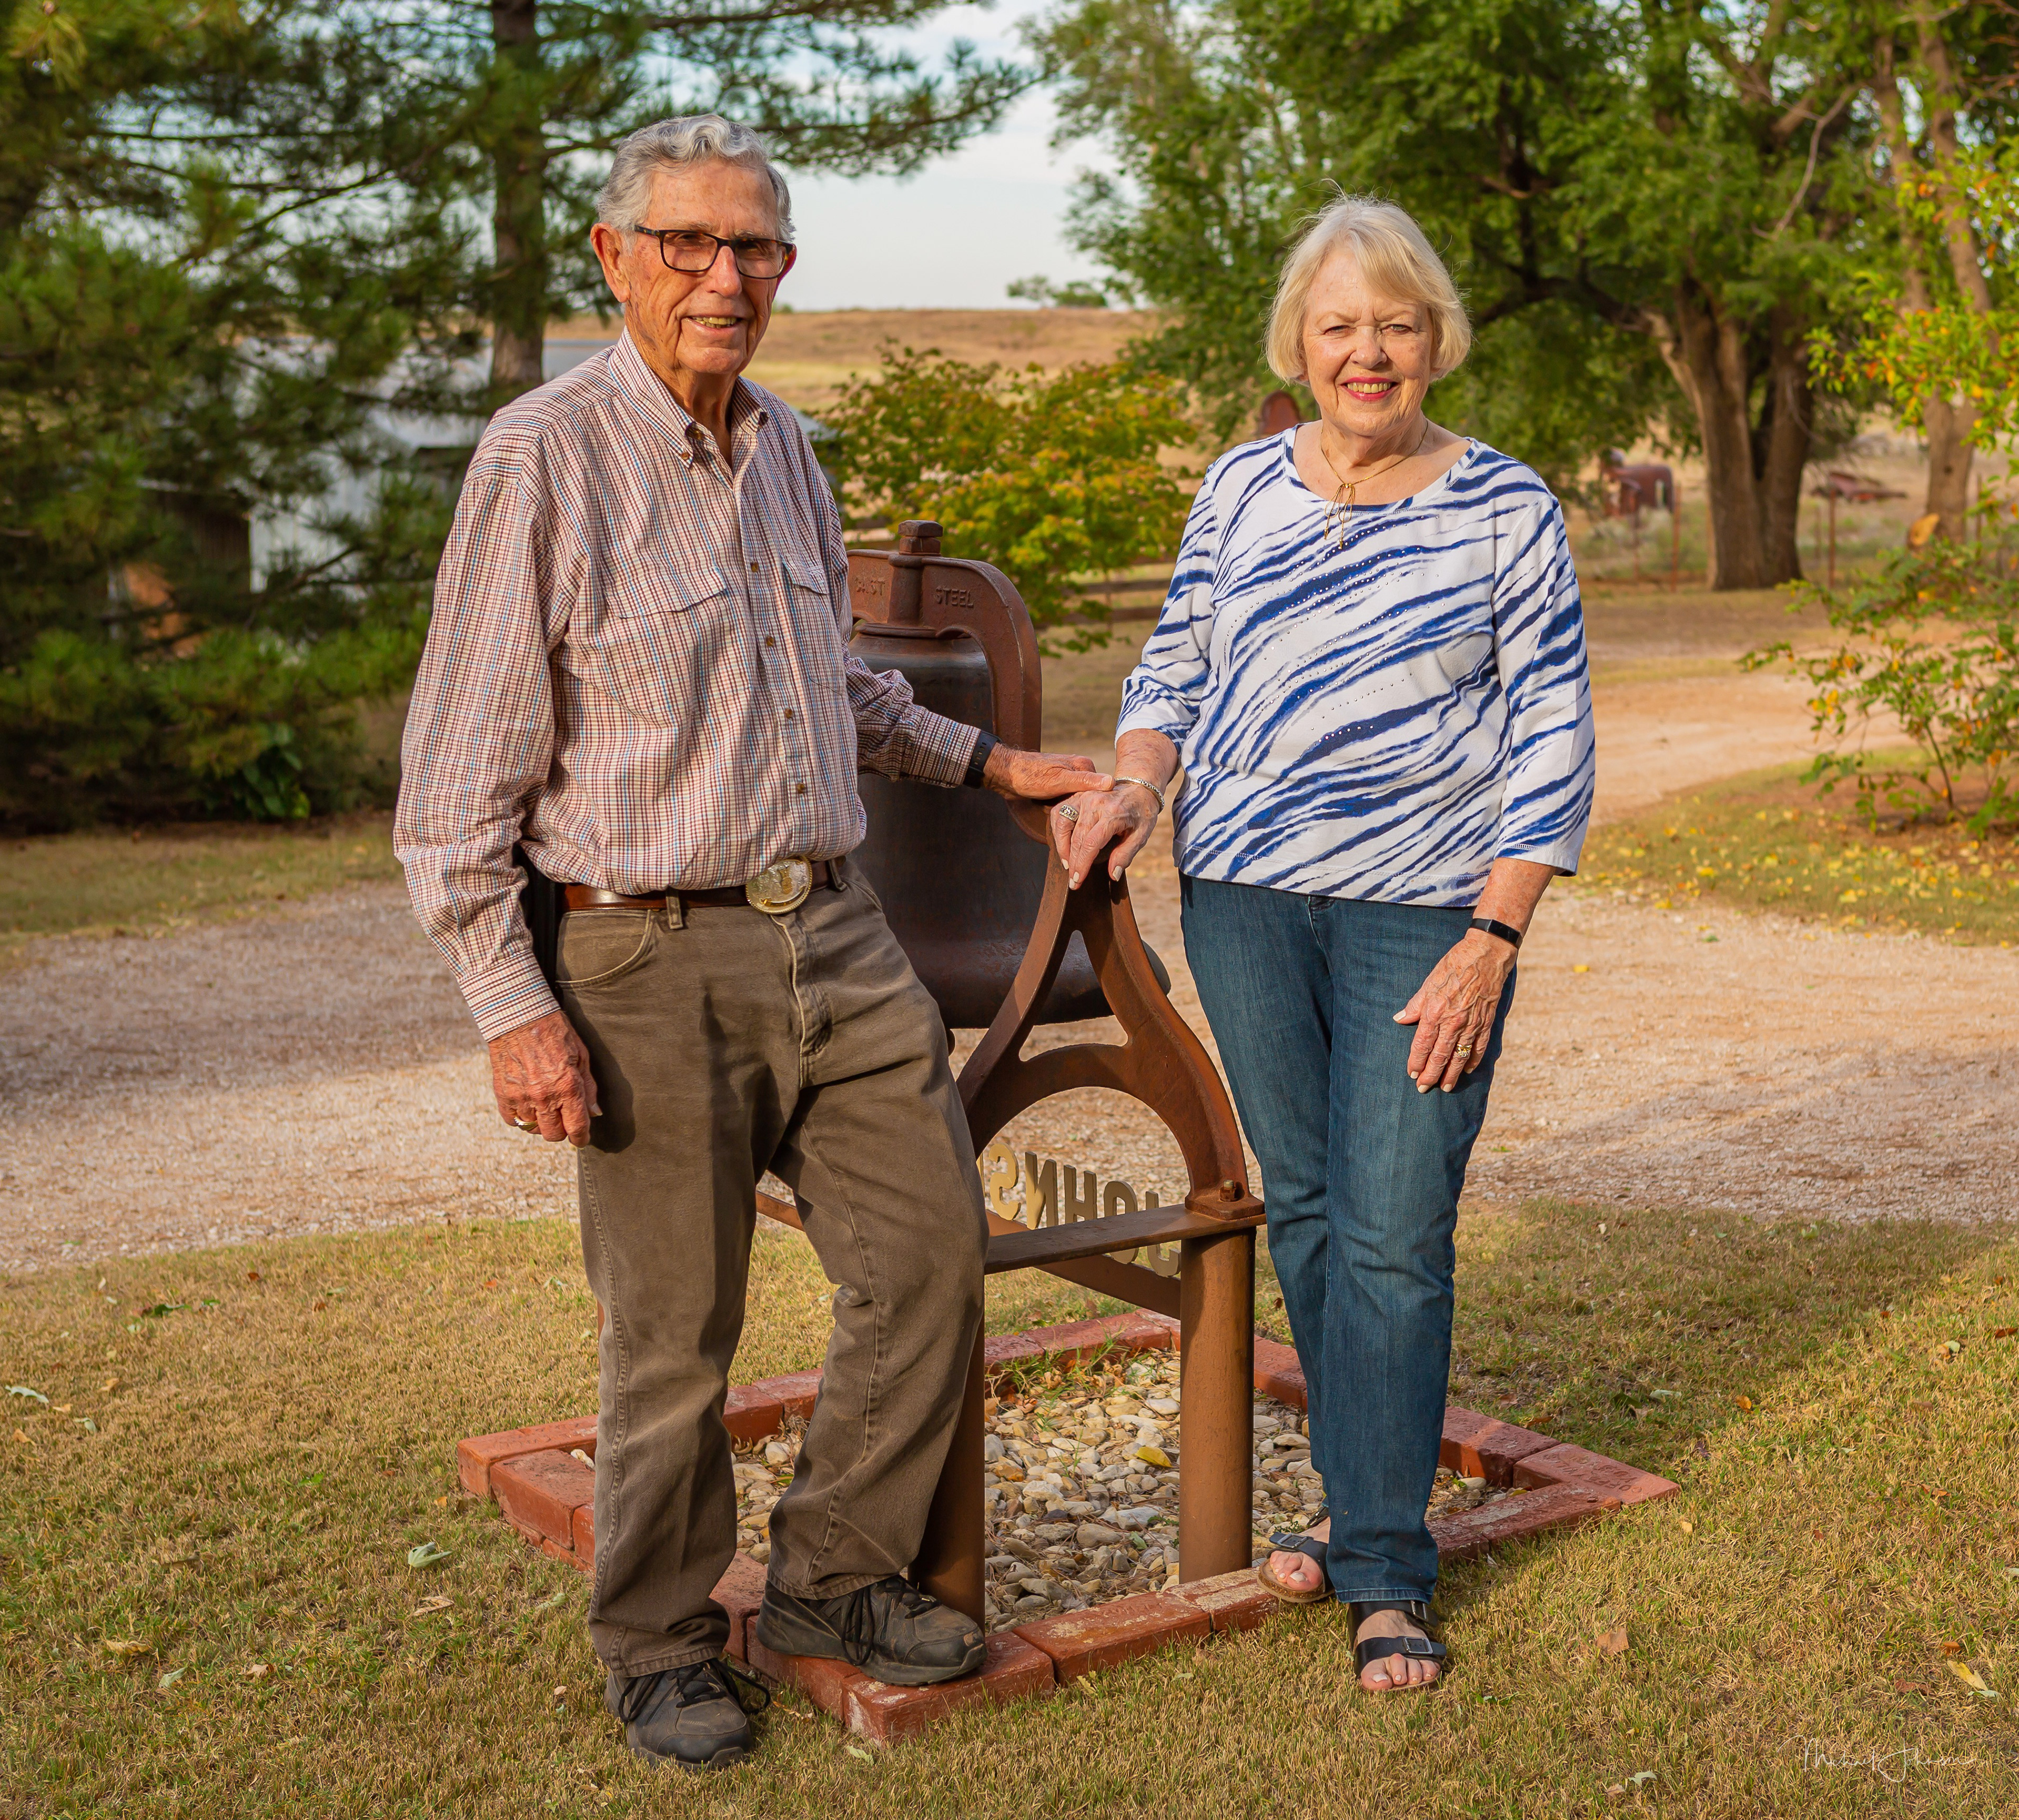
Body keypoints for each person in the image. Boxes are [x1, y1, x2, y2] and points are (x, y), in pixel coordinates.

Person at [394, 114, 1107, 1770]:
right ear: (614, 258)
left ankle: (831, 1580)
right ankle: (654, 1637)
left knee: (929, 1258)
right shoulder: (541, 458)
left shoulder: (786, 446)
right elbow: (452, 789)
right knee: (673, 1337)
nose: (729, 278)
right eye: (692, 246)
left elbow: (832, 693)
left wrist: (994, 762)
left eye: (759, 249)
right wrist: (516, 1005)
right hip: (644, 956)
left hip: (836, 937)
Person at [1049, 194, 1594, 1694]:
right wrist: (1139, 781)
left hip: (1429, 915)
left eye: (1397, 326)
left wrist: (1496, 933)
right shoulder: (1239, 487)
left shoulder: (1504, 505)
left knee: (1398, 1230)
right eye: (1341, 326)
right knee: (1304, 1207)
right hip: (1245, 900)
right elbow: (1180, 655)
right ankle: (1366, 1516)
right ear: (1302, 339)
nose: (1369, 353)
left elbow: (1553, 731)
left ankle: (1384, 1576)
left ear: (1437, 342)